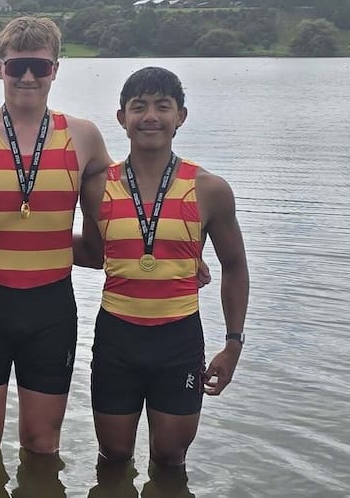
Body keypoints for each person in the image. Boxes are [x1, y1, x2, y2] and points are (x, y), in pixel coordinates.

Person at [0, 16, 113, 458]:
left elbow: (120, 211)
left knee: (42, 444)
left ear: (56, 68)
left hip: (51, 307)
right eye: (16, 67)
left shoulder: (84, 136)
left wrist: (178, 256)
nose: (28, 77)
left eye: (39, 66)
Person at [75, 66, 250, 471]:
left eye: (162, 106)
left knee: (171, 459)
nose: (150, 116)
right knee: (113, 458)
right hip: (116, 337)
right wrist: (17, 243)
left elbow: (235, 266)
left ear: (181, 117)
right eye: (139, 107)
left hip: (178, 340)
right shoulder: (97, 188)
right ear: (122, 118)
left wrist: (233, 344)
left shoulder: (209, 189)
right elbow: (94, 253)